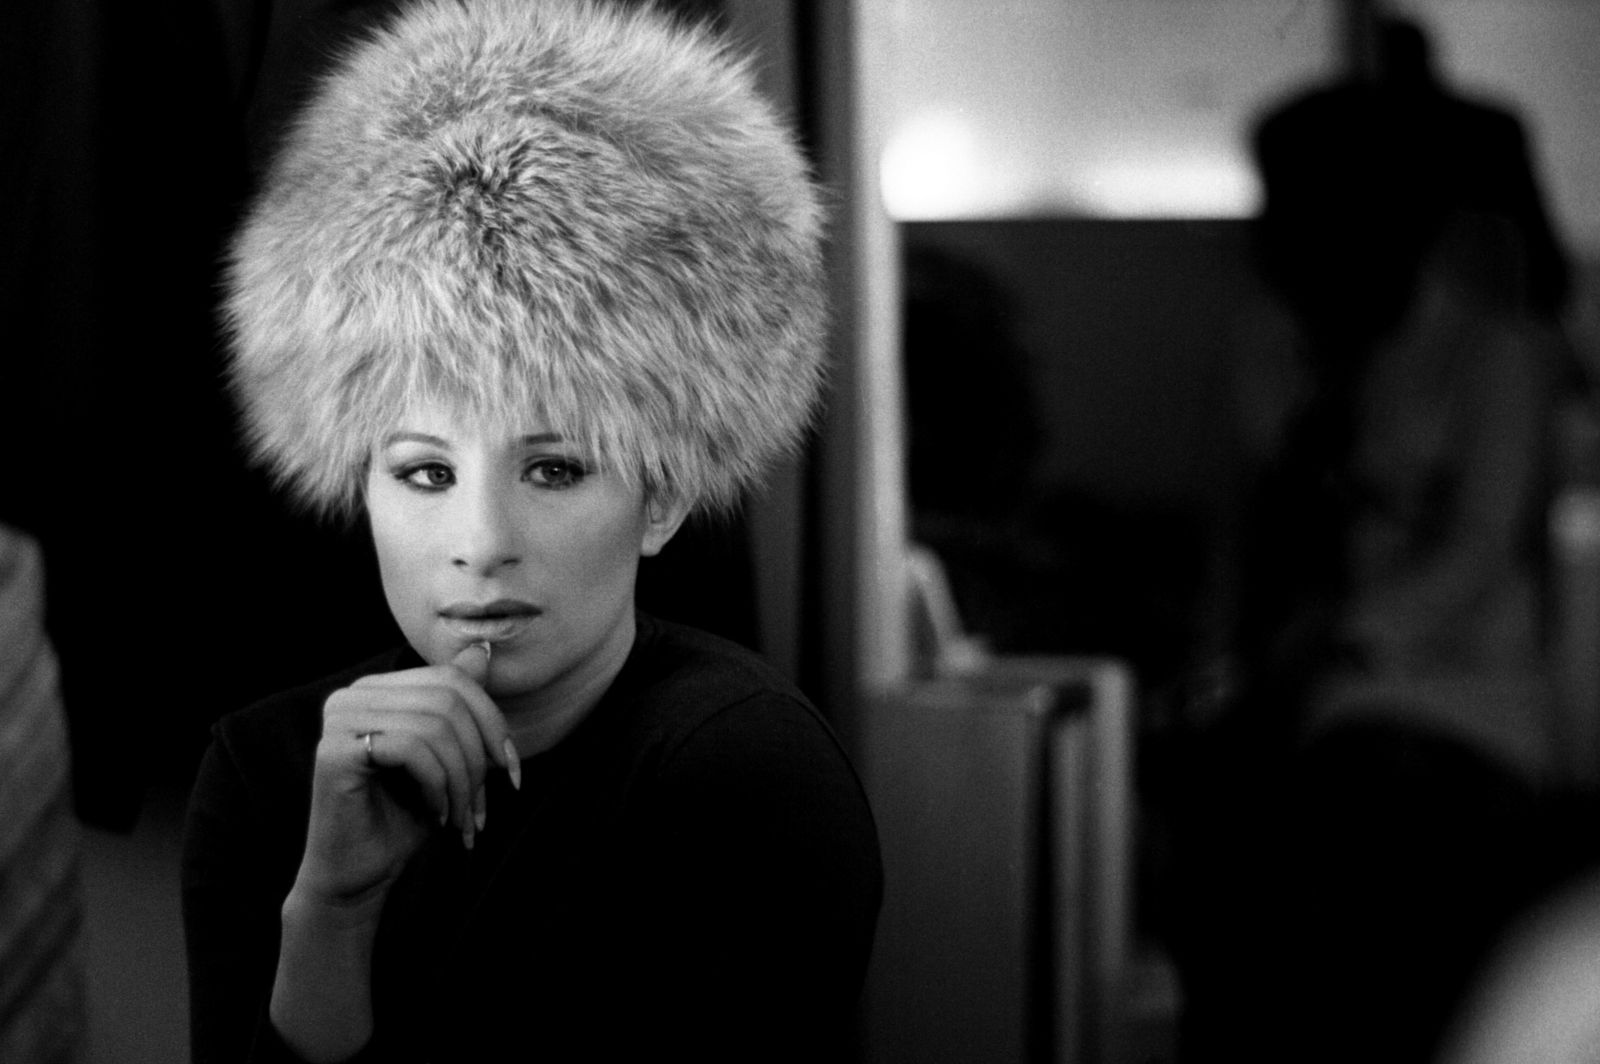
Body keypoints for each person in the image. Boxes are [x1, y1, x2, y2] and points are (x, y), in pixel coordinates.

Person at [179, 2, 883, 1062]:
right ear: (359, 485)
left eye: (554, 469)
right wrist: (331, 907)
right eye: (425, 473)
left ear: (660, 499)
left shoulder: (744, 772)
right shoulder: (265, 773)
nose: (480, 541)